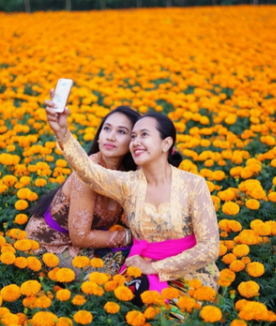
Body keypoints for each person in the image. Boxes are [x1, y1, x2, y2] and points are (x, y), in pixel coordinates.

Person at [46, 90, 220, 303]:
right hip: (141, 268)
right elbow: (88, 171)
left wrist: (156, 267)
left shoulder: (193, 184)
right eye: (134, 136)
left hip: (189, 271)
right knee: (128, 309)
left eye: (144, 135)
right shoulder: (129, 183)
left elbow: (210, 247)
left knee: (179, 320)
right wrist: (62, 132)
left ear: (166, 144)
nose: (136, 141)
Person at [26, 106, 139, 279]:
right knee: (111, 278)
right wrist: (129, 236)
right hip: (49, 245)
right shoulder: (87, 173)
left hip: (87, 243)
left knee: (143, 260)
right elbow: (80, 237)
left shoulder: (127, 173)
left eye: (121, 131)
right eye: (107, 128)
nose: (110, 136)